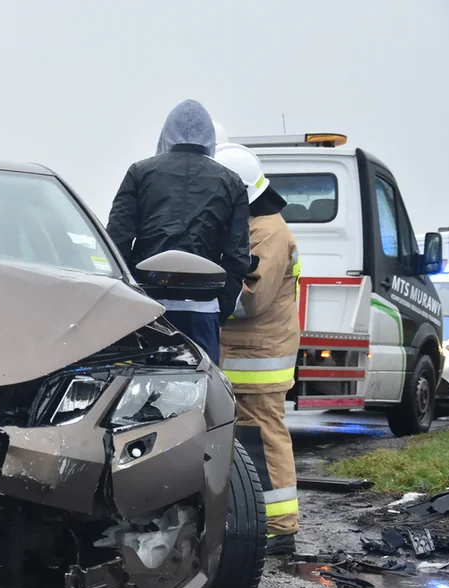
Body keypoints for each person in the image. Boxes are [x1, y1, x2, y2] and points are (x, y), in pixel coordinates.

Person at [106, 100, 251, 364]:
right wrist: (220, 309)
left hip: (148, 308)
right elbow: (237, 258)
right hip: (203, 309)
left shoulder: (140, 173)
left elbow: (117, 243)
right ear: (210, 140)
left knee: (143, 393)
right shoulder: (232, 182)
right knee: (202, 390)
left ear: (165, 136)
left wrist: (131, 299)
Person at [214, 142, 302, 556]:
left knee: (264, 439)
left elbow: (251, 300)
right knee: (252, 439)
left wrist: (207, 293)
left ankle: (279, 527)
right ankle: (261, 520)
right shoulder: (261, 225)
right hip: (250, 356)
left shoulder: (267, 232)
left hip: (258, 358)